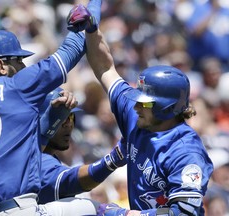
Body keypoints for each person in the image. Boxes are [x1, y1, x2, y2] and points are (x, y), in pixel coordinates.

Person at [0, 4, 103, 214]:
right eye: (18, 60)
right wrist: (92, 9)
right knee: (91, 207)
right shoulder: (15, 87)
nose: (23, 66)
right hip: (15, 210)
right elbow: (71, 51)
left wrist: (52, 120)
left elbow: (9, 155)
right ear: (1, 65)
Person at [66, 4, 214, 216]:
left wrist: (125, 215)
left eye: (145, 102)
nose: (136, 105)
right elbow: (105, 68)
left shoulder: (185, 151)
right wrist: (91, 30)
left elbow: (183, 213)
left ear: (168, 109)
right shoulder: (137, 115)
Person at [38, 87, 127, 204]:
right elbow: (72, 180)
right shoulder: (33, 159)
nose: (69, 124)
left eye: (71, 117)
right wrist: (112, 160)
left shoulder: (50, 157)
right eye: (62, 117)